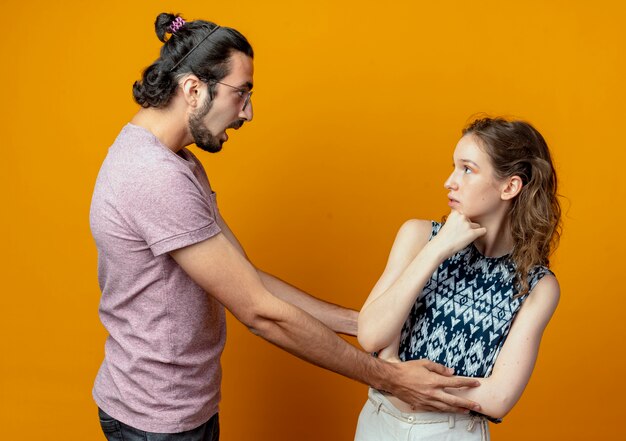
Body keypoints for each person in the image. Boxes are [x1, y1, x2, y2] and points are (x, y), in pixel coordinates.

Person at [89, 13, 482, 441]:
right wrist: (391, 378)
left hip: (178, 409)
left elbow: (245, 277)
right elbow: (259, 312)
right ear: (193, 89)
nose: (249, 113)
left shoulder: (177, 163)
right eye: (241, 94)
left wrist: (362, 322)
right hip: (155, 422)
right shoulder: (154, 177)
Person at [355, 117, 561, 440]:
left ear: (510, 187)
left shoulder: (536, 286)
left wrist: (406, 379)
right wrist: (437, 249)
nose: (449, 181)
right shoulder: (418, 236)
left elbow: (498, 398)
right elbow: (370, 334)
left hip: (453, 433)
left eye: (467, 169)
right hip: (379, 422)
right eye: (454, 167)